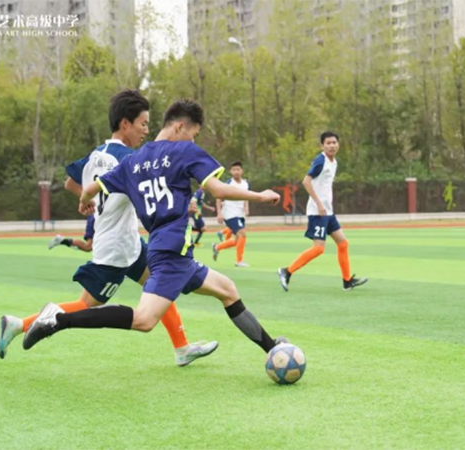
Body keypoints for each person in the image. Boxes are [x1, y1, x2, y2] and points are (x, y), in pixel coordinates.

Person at [23, 99, 289, 359]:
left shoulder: (133, 161)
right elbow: (218, 190)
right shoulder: (184, 152)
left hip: (172, 253)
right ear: (180, 127)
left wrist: (84, 201)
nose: (193, 142)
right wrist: (260, 196)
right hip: (171, 254)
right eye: (194, 135)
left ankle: (272, 347)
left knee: (227, 290)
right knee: (144, 320)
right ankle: (59, 320)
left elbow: (92, 187)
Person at [0, 90, 214, 366]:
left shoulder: (95, 155)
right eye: (143, 123)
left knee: (159, 286)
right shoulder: (131, 158)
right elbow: (152, 192)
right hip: (116, 248)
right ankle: (20, 324)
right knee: (87, 305)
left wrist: (87, 200)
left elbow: (70, 183)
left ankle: (182, 348)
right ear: (125, 123)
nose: (146, 130)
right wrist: (183, 205)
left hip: (128, 244)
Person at [277, 131, 368, 291]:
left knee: (343, 243)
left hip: (328, 212)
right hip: (318, 212)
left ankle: (347, 281)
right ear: (322, 146)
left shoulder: (334, 162)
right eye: (328, 143)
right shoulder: (321, 161)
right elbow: (306, 181)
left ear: (338, 144)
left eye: (334, 142)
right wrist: (319, 204)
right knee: (319, 248)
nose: (332, 145)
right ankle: (287, 271)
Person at [212, 162, 250, 267]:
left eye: (238, 169)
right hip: (230, 214)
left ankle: (217, 247)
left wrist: (246, 207)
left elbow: (247, 196)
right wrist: (219, 213)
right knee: (242, 234)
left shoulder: (245, 184)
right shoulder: (228, 184)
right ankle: (239, 261)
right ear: (230, 171)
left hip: (240, 214)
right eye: (234, 170)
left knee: (237, 240)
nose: (236, 172)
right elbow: (218, 197)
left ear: (242, 171)